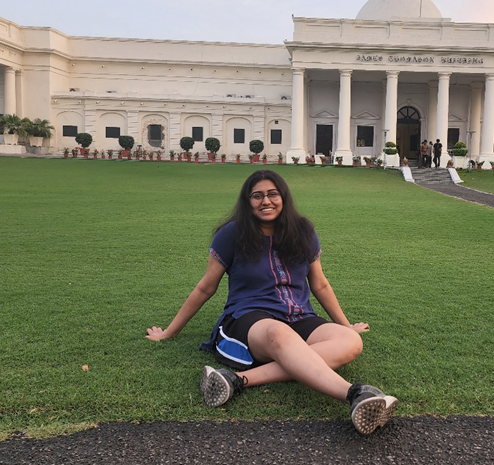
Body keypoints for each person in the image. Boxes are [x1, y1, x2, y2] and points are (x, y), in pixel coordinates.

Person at [145, 170, 397, 434]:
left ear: (283, 197)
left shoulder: (304, 231)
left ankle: (238, 379)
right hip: (248, 318)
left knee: (350, 341)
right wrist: (169, 332)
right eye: (257, 196)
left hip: (299, 316)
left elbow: (320, 284)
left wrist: (346, 326)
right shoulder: (231, 234)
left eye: (272, 194)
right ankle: (355, 394)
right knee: (279, 332)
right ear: (248, 202)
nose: (266, 201)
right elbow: (206, 287)